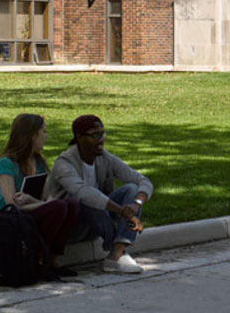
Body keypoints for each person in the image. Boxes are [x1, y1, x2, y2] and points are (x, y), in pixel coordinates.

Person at [47, 114, 154, 274]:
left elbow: (143, 181)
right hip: (72, 227)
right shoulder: (64, 163)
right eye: (95, 135)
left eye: (102, 133)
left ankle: (116, 253)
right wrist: (125, 213)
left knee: (131, 189)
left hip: (100, 220)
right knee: (85, 199)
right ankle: (119, 252)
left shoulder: (104, 157)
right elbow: (83, 193)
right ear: (79, 137)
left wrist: (136, 204)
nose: (101, 139)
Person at [0, 113, 81, 280]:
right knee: (59, 206)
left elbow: (46, 197)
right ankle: (40, 261)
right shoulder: (6, 163)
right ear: (32, 135)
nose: (46, 136)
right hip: (11, 218)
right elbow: (11, 204)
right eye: (43, 132)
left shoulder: (39, 162)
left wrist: (34, 202)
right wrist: (44, 204)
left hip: (30, 210)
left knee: (71, 205)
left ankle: (53, 260)